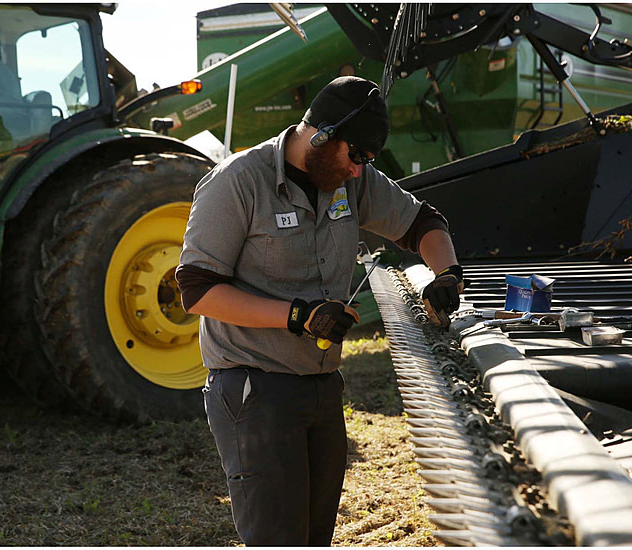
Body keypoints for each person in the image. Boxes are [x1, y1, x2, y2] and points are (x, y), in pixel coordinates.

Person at [175, 76, 463, 546]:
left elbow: (422, 222)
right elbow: (198, 290)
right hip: (255, 390)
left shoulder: (350, 176)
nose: (358, 172)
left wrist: (447, 273)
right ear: (322, 135)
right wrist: (299, 316)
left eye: (367, 162)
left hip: (322, 387)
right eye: (356, 157)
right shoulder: (237, 183)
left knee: (314, 538)